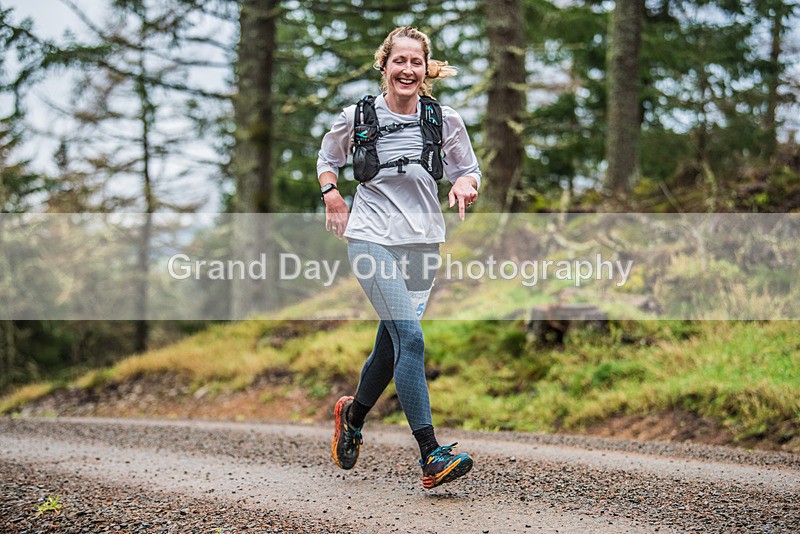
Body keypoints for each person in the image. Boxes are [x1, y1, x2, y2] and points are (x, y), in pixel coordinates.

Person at [317, 26, 481, 489]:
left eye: (415, 62)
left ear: (424, 70)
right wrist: (332, 194)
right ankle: (431, 455)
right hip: (370, 236)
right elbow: (327, 158)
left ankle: (352, 415)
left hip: (423, 242)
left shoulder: (443, 119)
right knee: (411, 337)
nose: (406, 69)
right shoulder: (359, 115)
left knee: (390, 347)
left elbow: (468, 168)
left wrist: (465, 184)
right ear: (384, 65)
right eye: (399, 61)